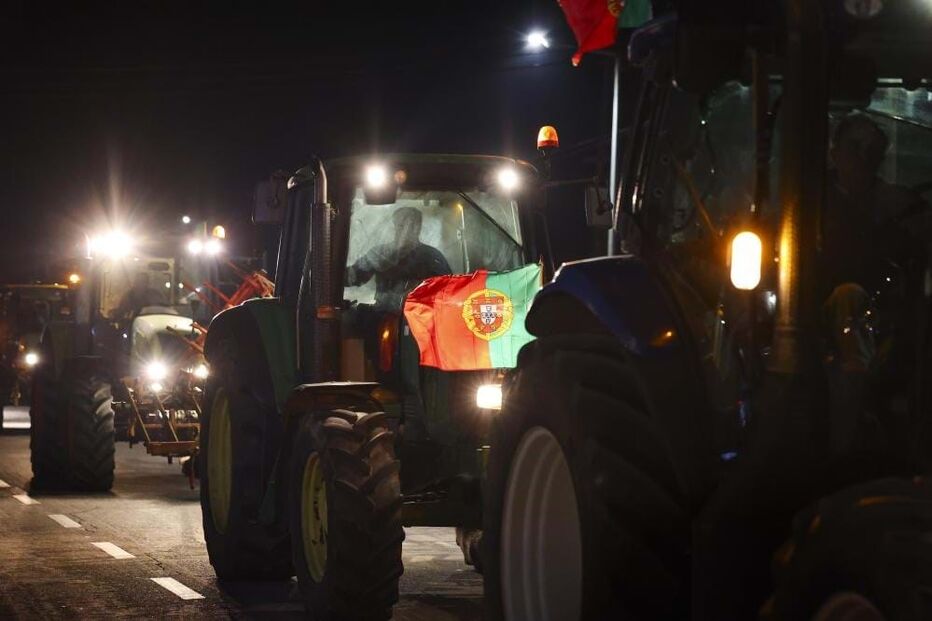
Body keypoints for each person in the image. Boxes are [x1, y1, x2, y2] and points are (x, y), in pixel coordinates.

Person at [820, 113, 929, 454]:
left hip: (888, 315)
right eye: (855, 149)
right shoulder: (809, 201)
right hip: (822, 311)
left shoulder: (898, 203)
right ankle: (844, 436)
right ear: (835, 153)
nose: (862, 159)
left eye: (871, 151)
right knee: (849, 297)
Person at [345, 207, 451, 310]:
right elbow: (354, 276)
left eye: (412, 225)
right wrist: (333, 276)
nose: (407, 229)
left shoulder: (432, 257)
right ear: (395, 226)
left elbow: (447, 290)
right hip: (383, 317)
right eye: (401, 225)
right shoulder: (380, 253)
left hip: (420, 318)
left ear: (418, 227)